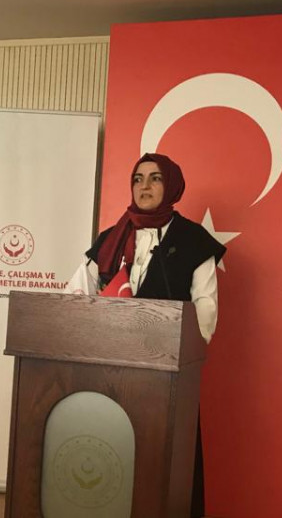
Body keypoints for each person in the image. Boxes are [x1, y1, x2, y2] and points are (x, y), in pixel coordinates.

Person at [85, 152, 225, 518]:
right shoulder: (110, 239)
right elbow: (77, 294)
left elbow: (205, 311)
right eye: (138, 178)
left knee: (165, 469)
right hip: (108, 371)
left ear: (172, 186)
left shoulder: (193, 240)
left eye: (155, 178)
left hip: (168, 377)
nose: (144, 186)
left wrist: (178, 352)